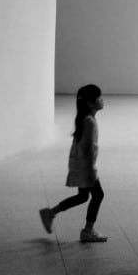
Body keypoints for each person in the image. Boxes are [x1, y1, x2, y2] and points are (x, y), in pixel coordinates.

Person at [40, 84, 108, 243]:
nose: (102, 100)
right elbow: (87, 149)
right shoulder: (89, 121)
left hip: (80, 164)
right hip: (85, 166)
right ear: (91, 103)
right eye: (99, 97)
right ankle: (88, 231)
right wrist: (91, 170)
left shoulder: (84, 119)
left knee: (83, 197)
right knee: (98, 195)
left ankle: (50, 213)